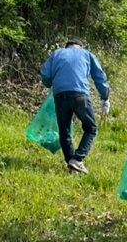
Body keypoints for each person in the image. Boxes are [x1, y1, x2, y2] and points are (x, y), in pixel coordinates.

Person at [40, 39, 110, 175]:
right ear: (79, 46)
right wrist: (105, 96)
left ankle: (71, 163)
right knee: (91, 128)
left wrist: (49, 84)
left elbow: (45, 74)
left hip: (59, 95)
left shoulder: (57, 53)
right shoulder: (86, 54)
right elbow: (99, 77)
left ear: (67, 47)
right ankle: (77, 159)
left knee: (64, 130)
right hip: (79, 95)